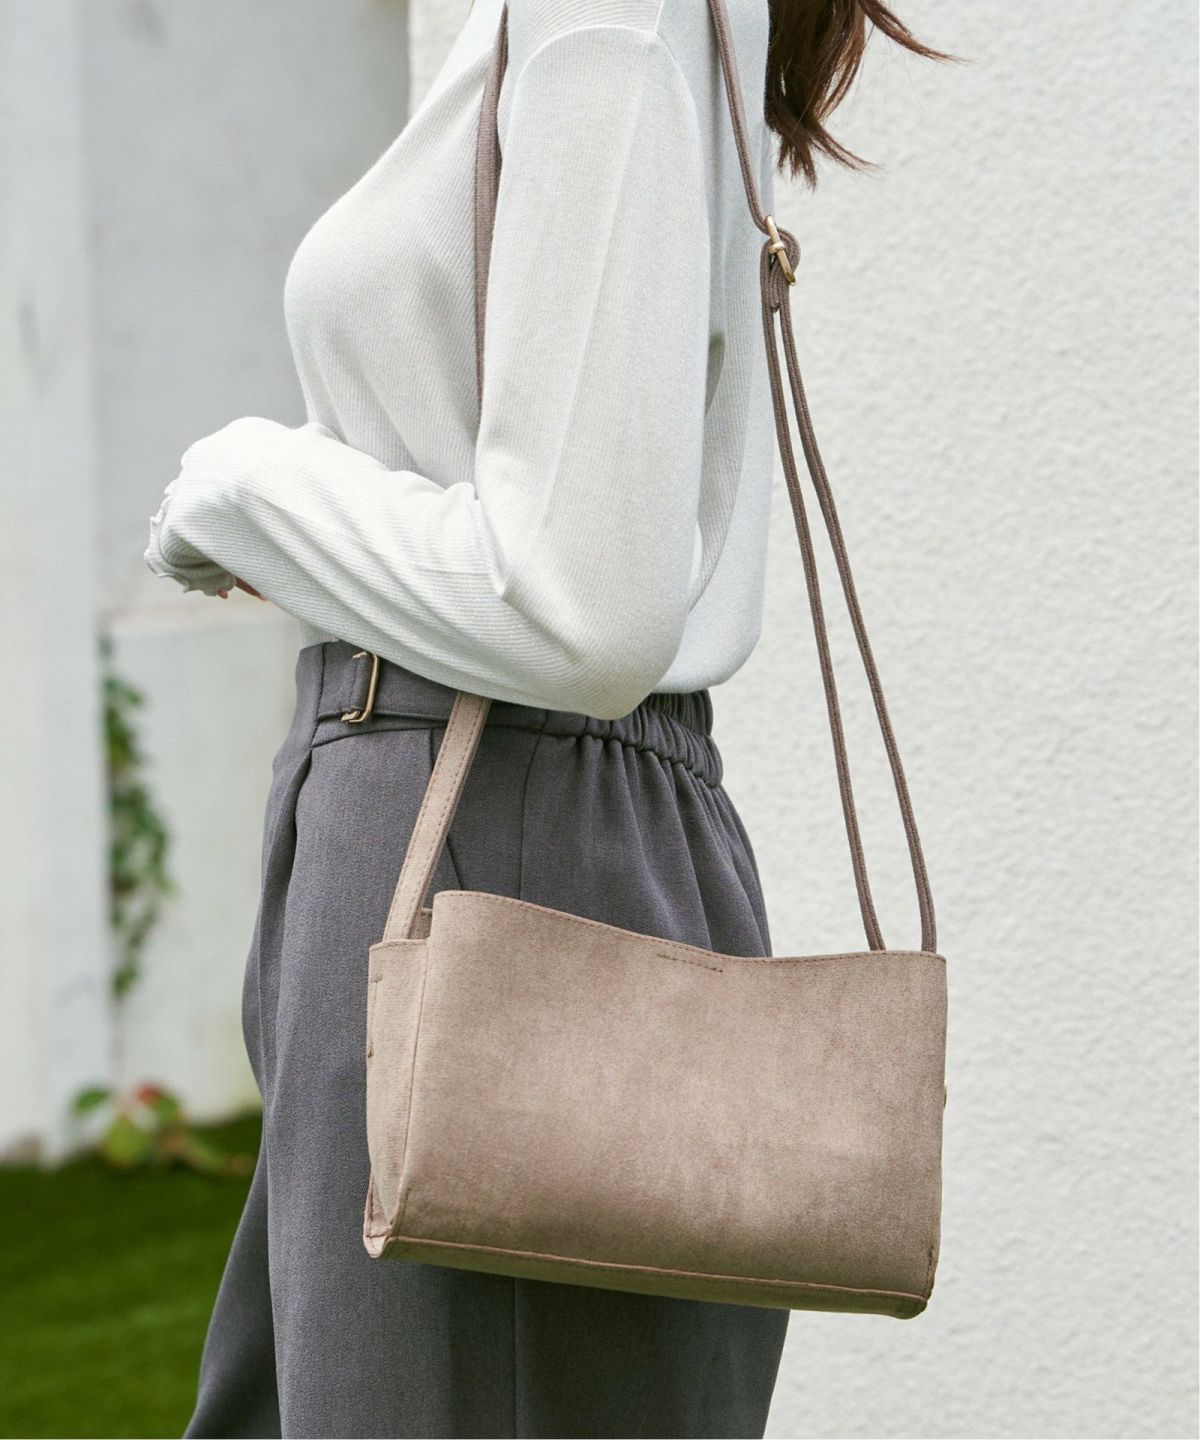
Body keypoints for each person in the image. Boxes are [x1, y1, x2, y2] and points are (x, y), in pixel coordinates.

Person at [144, 0, 952, 1435]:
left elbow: (580, 606)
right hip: (462, 818)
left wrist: (245, 487)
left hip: (491, 827)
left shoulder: (606, 18)